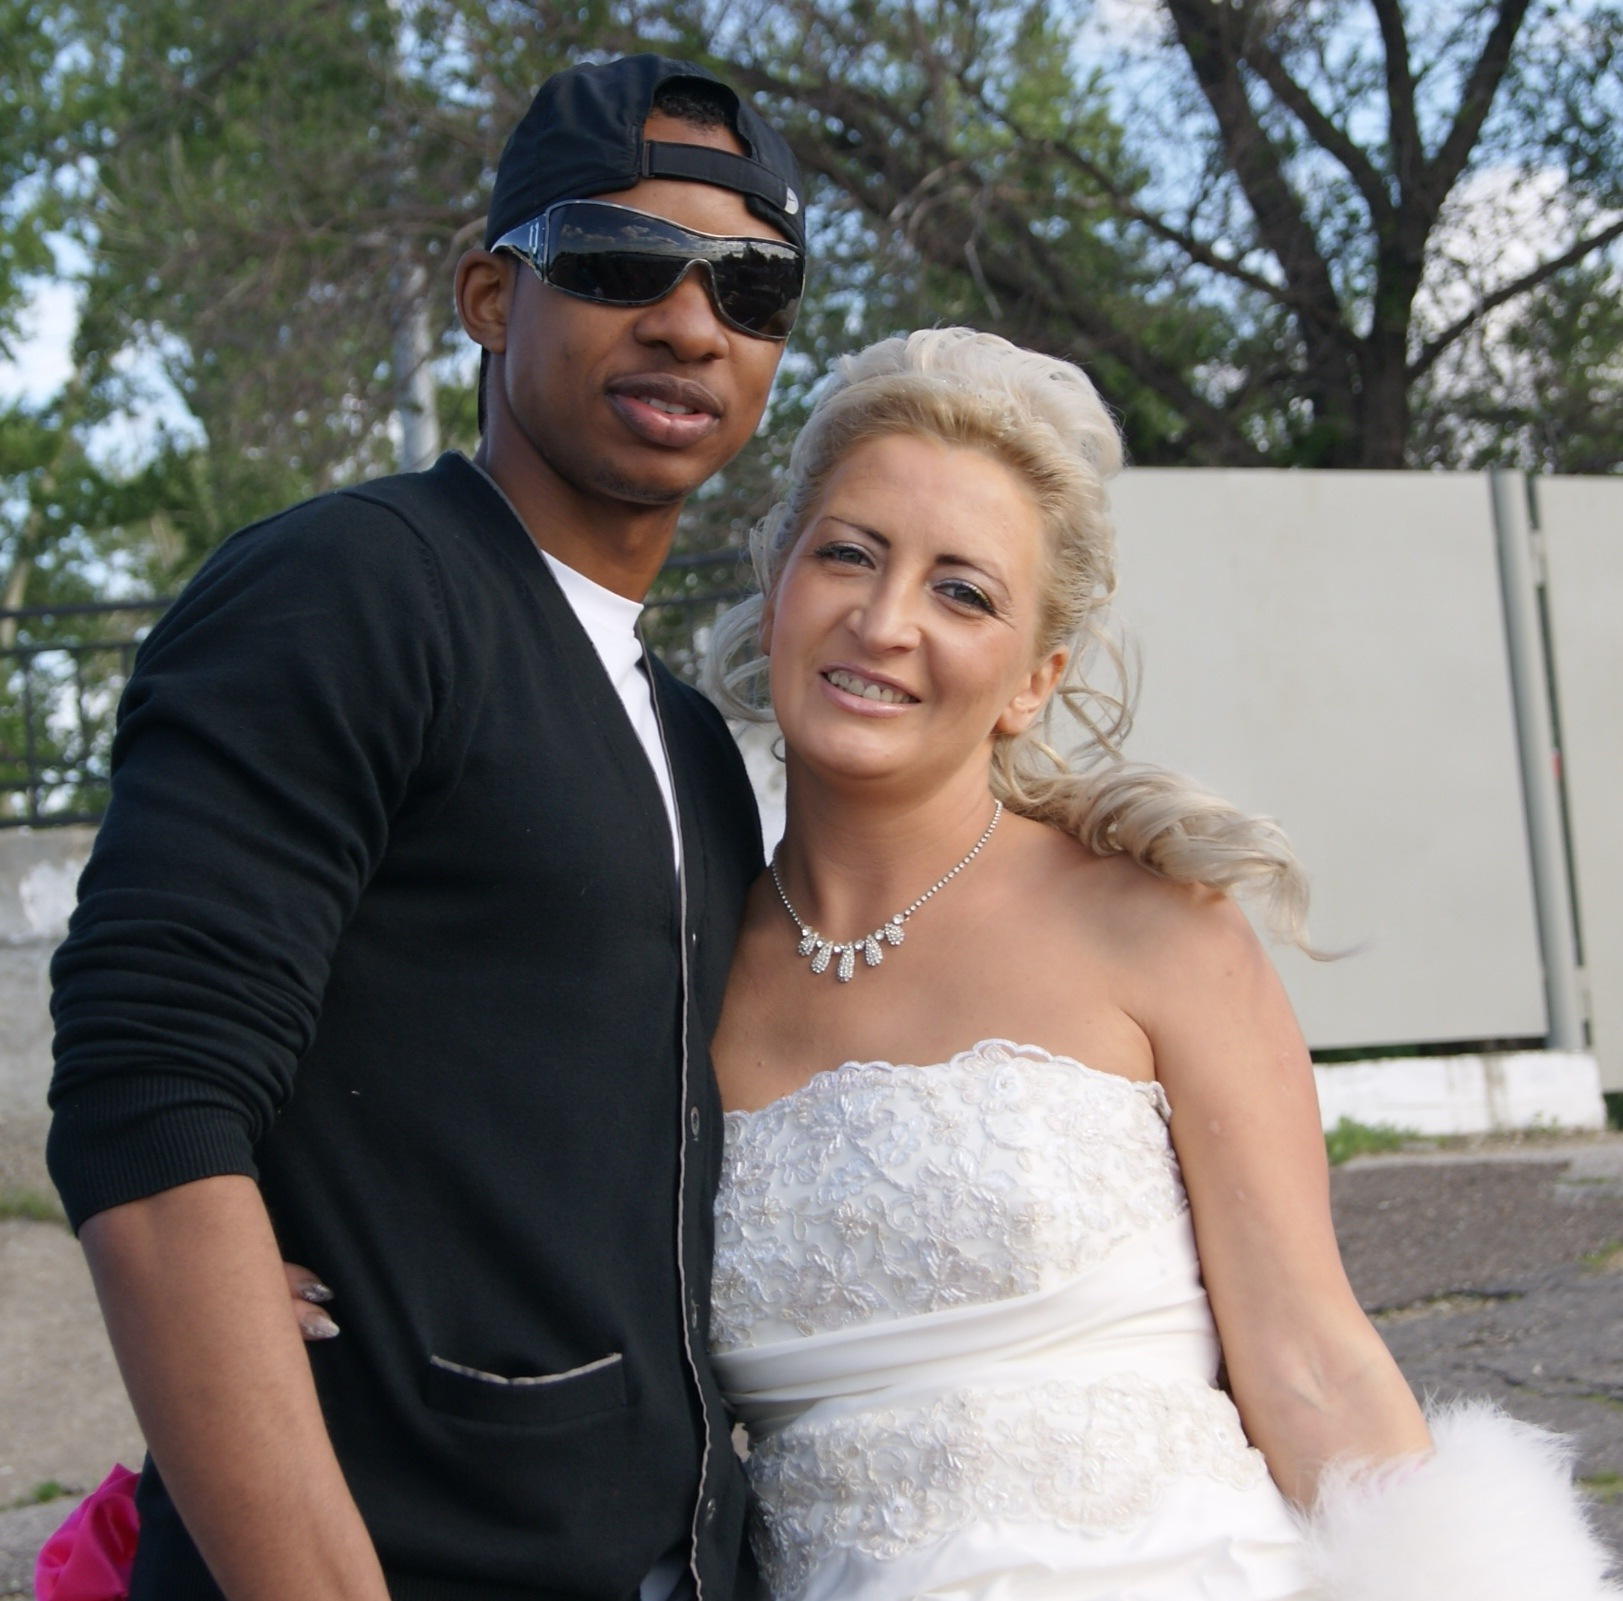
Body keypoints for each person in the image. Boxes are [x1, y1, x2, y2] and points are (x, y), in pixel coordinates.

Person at [689, 328, 1619, 1600]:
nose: (886, 619)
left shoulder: (1154, 928)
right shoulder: (679, 973)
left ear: (1035, 679)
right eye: (848, 553)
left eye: (964, 592)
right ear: (778, 585)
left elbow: (1312, 1364)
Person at [45, 54, 806, 1601]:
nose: (689, 323)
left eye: (750, 288)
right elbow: (148, 1103)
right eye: (619, 259)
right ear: (487, 296)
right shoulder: (351, 588)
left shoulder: (690, 741)